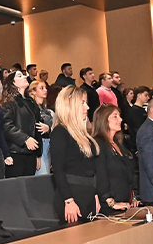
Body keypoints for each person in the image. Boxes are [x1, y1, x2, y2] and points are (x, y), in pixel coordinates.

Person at [50, 86, 103, 224]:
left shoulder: (82, 133)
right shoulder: (60, 132)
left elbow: (91, 167)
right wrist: (68, 201)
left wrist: (95, 194)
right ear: (71, 106)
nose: (87, 107)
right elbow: (58, 170)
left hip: (88, 194)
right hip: (72, 196)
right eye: (82, 103)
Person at [92, 105, 137, 212]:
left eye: (120, 116)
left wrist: (134, 197)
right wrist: (111, 203)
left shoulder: (118, 143)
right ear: (104, 119)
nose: (120, 119)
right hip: (111, 207)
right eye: (115, 116)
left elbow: (129, 173)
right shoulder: (98, 144)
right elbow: (100, 175)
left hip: (126, 203)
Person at [1, 71, 42, 178]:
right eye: (20, 76)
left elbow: (36, 126)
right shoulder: (8, 101)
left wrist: (38, 154)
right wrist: (25, 139)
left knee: (29, 189)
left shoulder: (31, 102)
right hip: (15, 152)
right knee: (16, 190)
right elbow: (6, 125)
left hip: (31, 153)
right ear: (12, 83)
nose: (25, 76)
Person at [27, 80, 54, 175]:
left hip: (48, 145)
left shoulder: (47, 110)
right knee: (41, 175)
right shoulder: (31, 109)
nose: (45, 90)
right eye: (41, 88)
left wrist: (49, 129)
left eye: (46, 88)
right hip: (39, 144)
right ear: (33, 91)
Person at [126, 86, 150, 153]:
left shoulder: (141, 110)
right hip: (138, 144)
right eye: (146, 95)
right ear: (139, 95)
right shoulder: (134, 111)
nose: (148, 97)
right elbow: (138, 129)